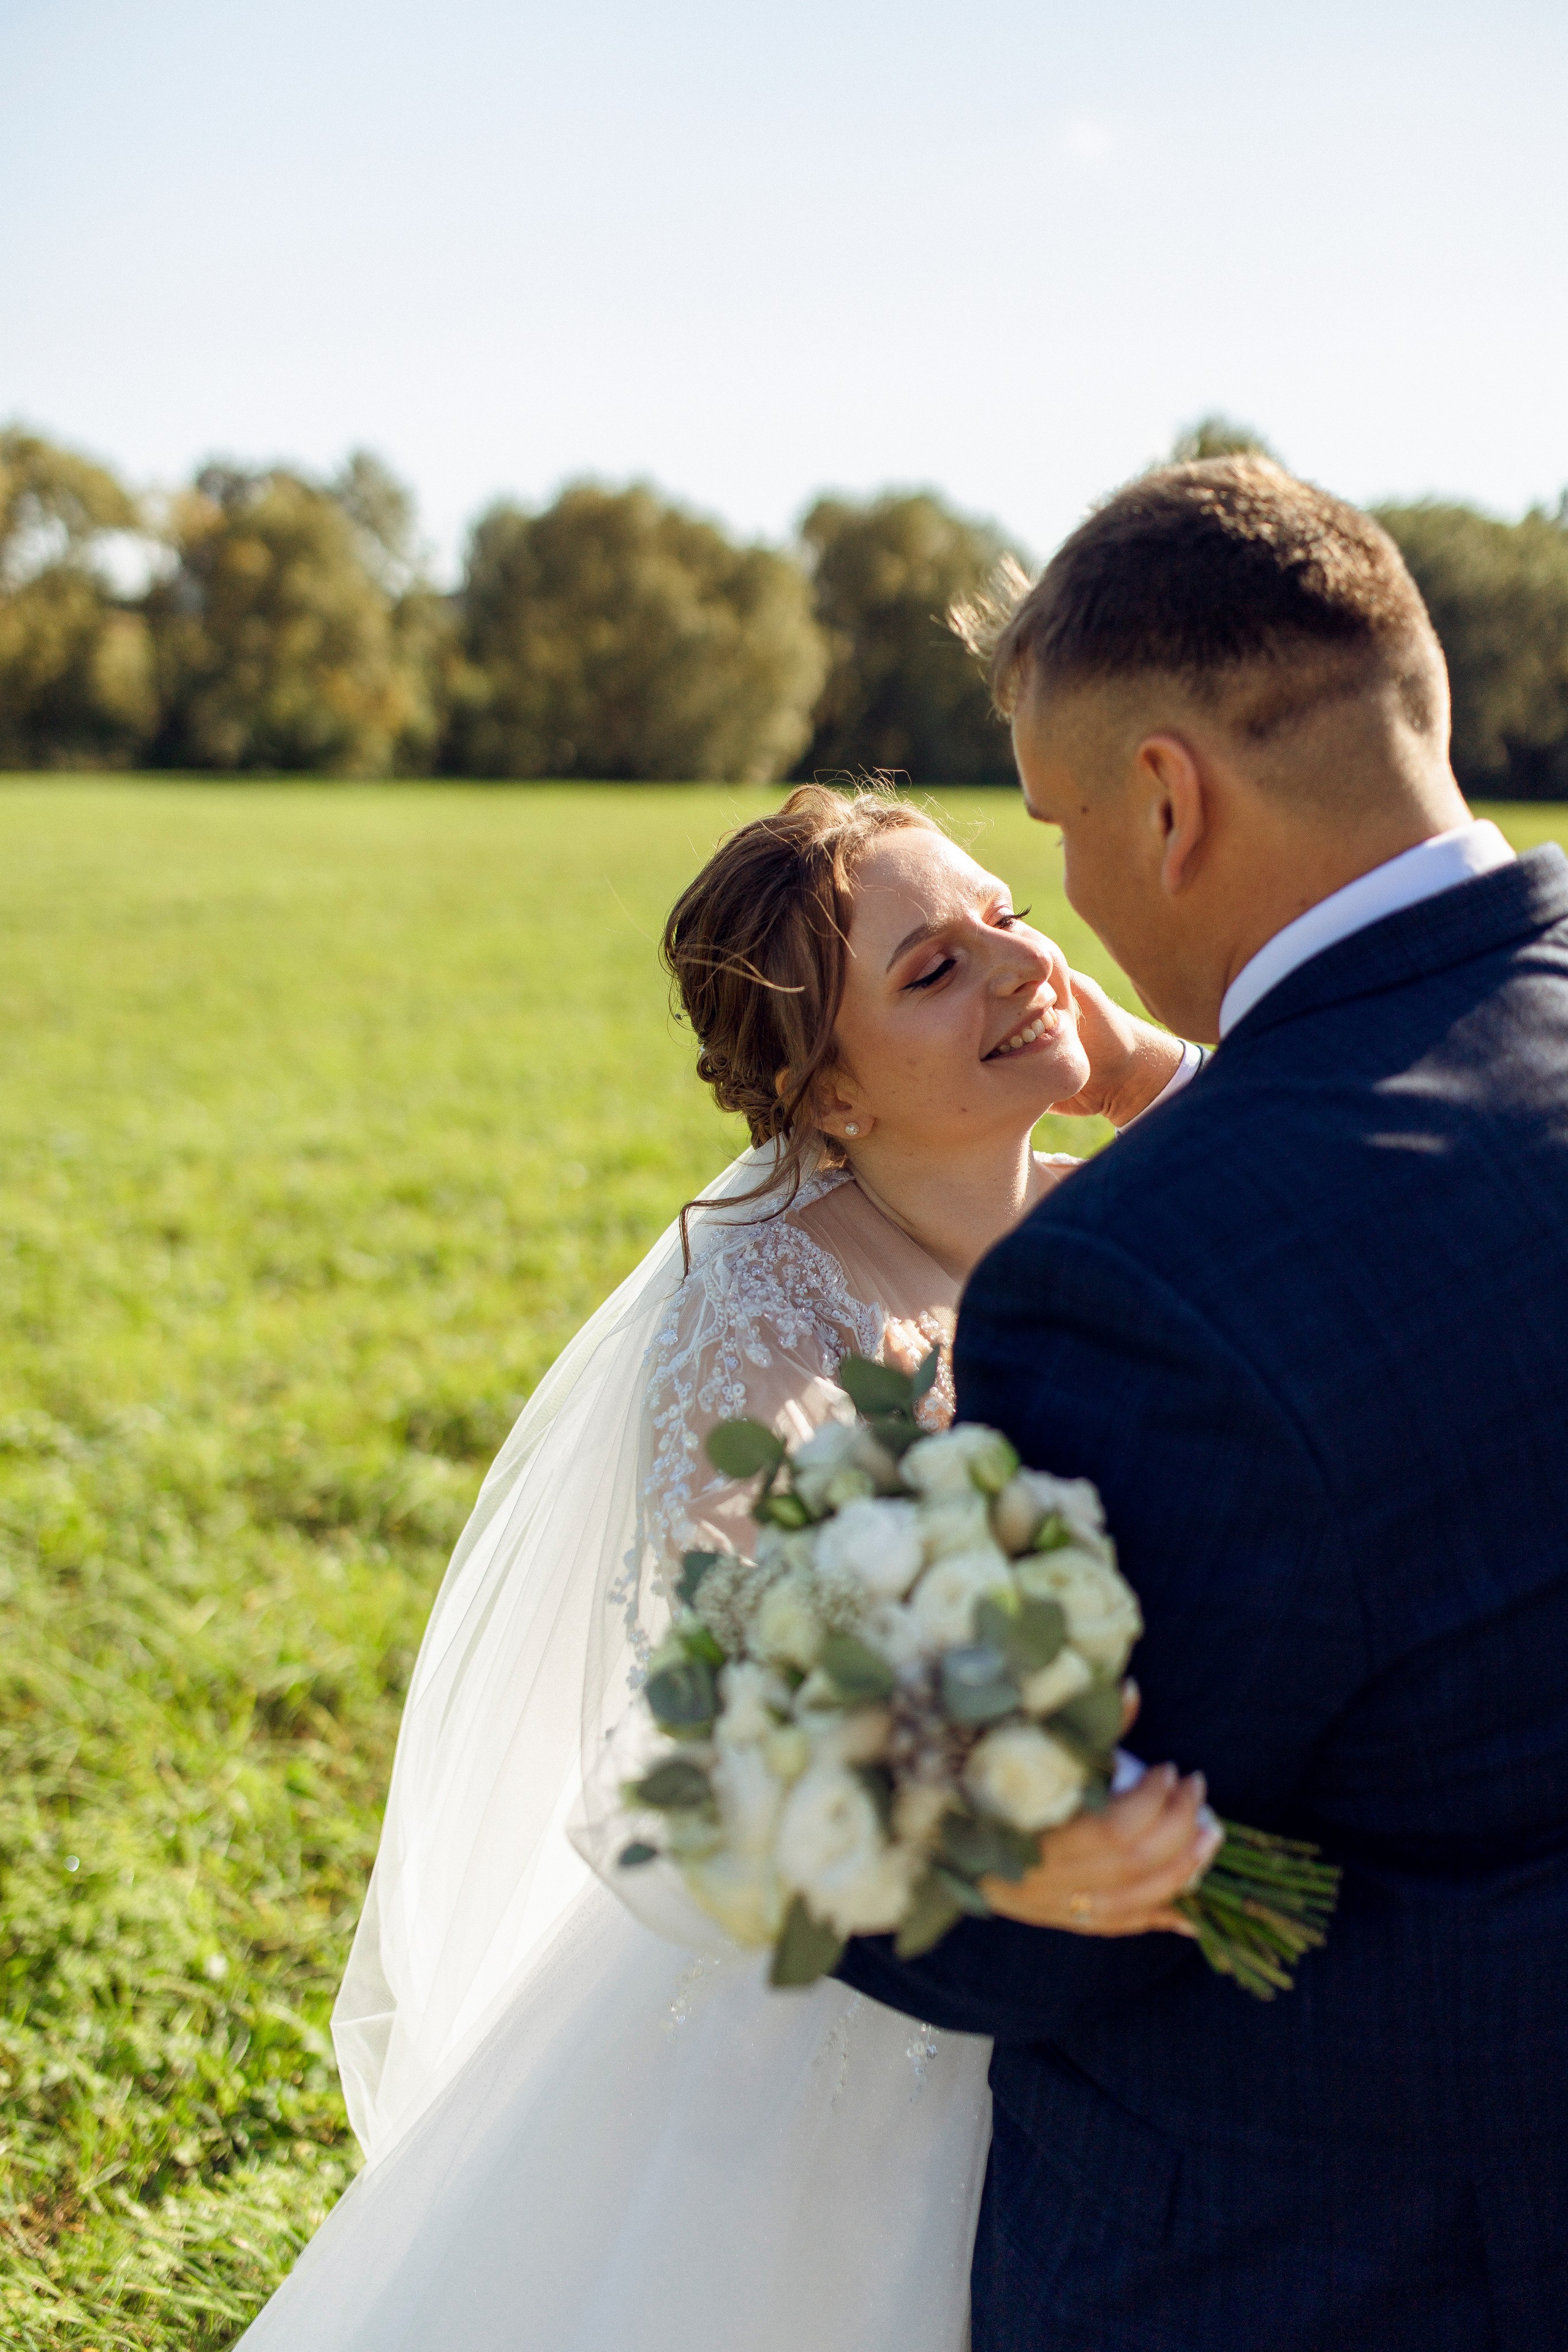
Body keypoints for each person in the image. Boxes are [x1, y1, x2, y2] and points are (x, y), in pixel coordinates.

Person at [236, 786, 1213, 2352]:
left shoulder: (1122, 1205)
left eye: (1005, 918)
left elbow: (1333, 1177)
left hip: (1134, 1909)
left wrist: (1152, 1070)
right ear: (824, 1098)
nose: (1014, 965)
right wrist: (1000, 1825)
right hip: (861, 1947)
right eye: (928, 970)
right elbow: (734, 1665)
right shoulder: (758, 1297)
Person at [836, 458, 1568, 2350]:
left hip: (1350, 2257)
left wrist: (857, 1789)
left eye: (1058, 826)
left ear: (1167, 800)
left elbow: (1039, 1909)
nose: (1060, 904)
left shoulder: (1142, 1280)